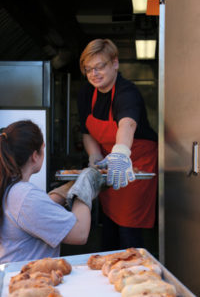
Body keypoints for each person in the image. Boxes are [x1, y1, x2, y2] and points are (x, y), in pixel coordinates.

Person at [77, 38, 158, 251]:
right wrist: (94, 157)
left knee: (128, 228)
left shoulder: (127, 92)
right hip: (108, 163)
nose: (94, 73)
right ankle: (110, 272)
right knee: (110, 223)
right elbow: (87, 132)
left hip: (134, 163)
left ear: (115, 63)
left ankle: (138, 273)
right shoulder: (86, 93)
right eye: (88, 69)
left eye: (100, 66)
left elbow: (127, 125)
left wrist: (121, 154)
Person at [0, 120, 102, 264]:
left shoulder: (10, 186)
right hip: (27, 281)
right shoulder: (24, 196)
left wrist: (68, 188)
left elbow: (34, 212)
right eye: (43, 148)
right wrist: (85, 186)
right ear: (35, 155)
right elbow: (79, 233)